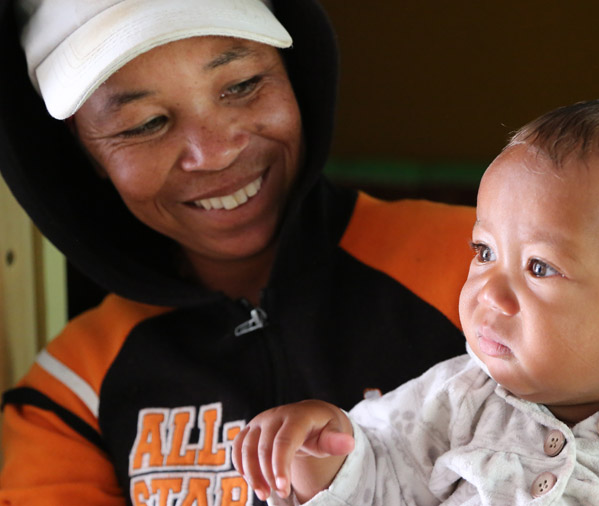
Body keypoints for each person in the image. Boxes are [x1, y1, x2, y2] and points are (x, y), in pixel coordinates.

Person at [0, 1, 476, 504]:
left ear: (295, 70)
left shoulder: (489, 269)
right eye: (144, 124)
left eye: (243, 85)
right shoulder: (75, 391)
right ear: (82, 150)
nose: (215, 151)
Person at [232, 98, 599, 505]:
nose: (488, 293)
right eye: (483, 252)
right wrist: (322, 455)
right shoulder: (455, 400)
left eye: (540, 267)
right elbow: (379, 478)